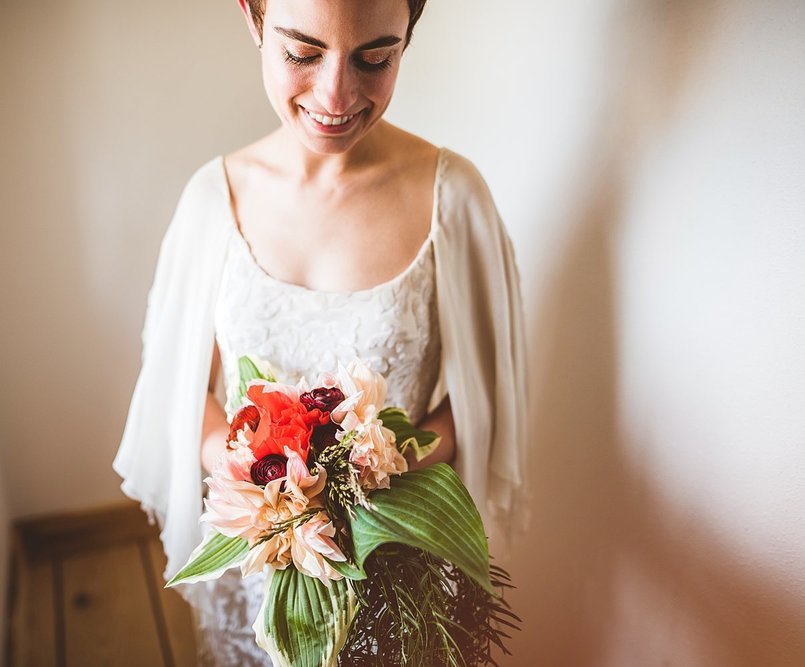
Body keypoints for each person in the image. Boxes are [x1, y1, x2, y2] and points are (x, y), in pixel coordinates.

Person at [114, 0, 528, 664]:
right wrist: (268, 486)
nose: (336, 96)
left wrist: (371, 478)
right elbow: (181, 390)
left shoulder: (455, 200)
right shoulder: (210, 203)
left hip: (399, 569)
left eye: (375, 58)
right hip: (263, 556)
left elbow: (484, 403)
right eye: (301, 52)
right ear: (252, 15)